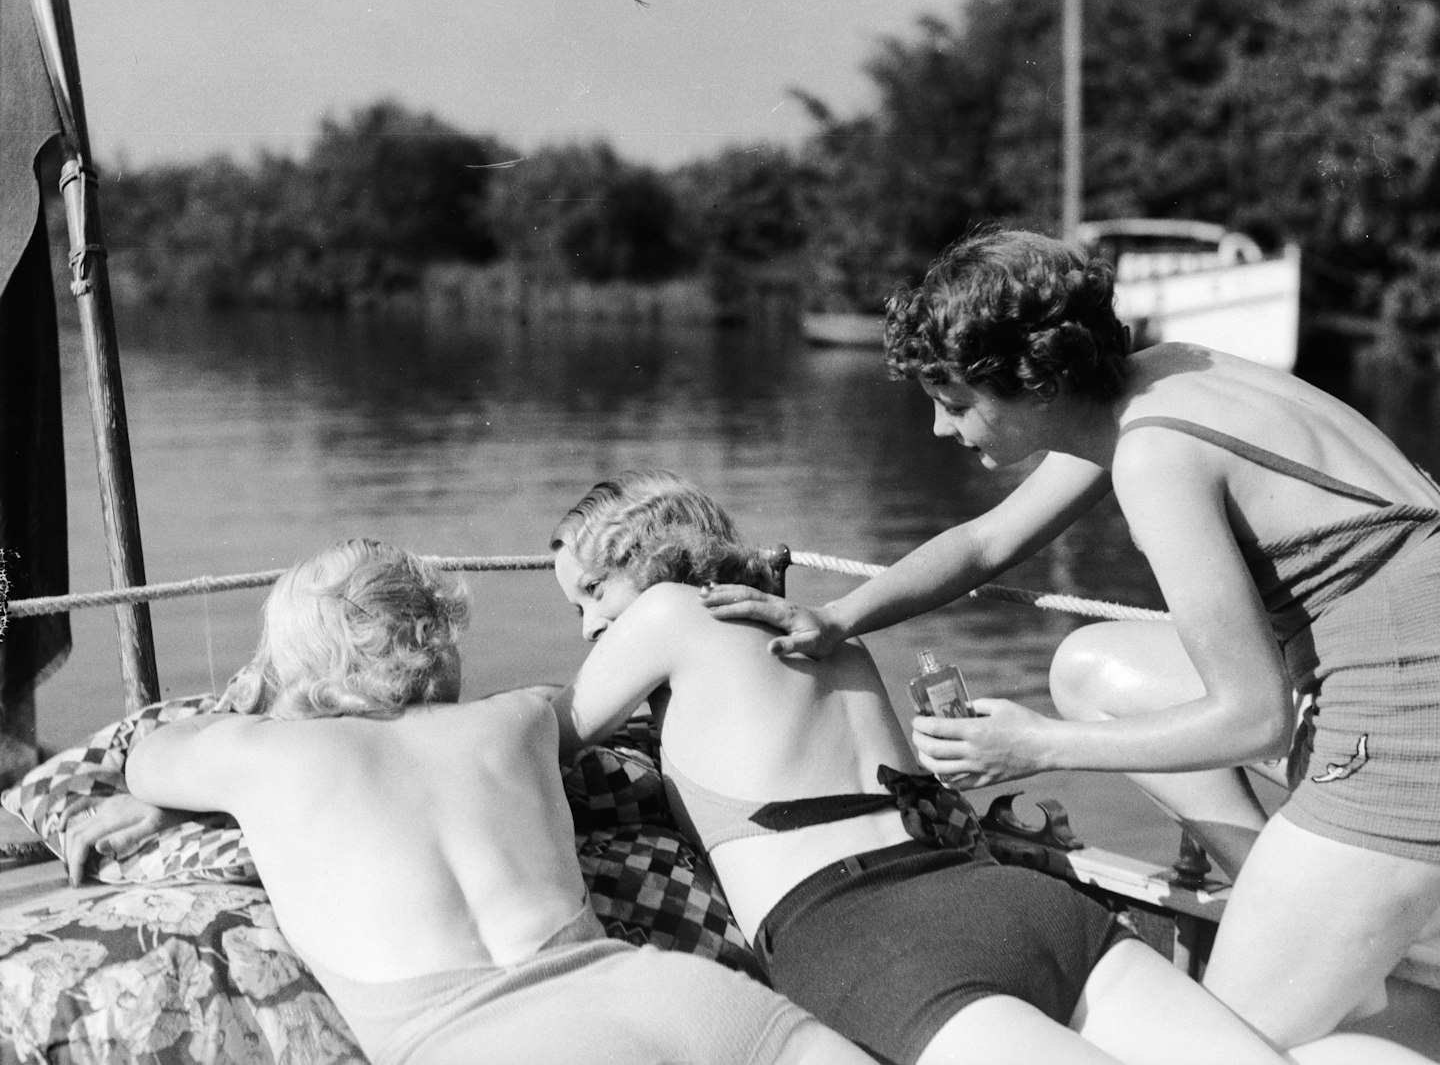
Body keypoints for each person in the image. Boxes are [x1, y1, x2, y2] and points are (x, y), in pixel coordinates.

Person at [697, 225, 1440, 1052]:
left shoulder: (1156, 458)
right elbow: (986, 544)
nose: (945, 431)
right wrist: (840, 616)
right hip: (1374, 684)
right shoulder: (1154, 382)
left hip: (1405, 740)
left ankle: (1330, 904)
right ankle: (1294, 894)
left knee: (1208, 1050)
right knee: (1091, 668)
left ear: (1035, 384)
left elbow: (1253, 718)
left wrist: (1037, 746)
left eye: (954, 404)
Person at [550, 469, 1411, 1065]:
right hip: (1014, 904)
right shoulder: (822, 634)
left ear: (641, 557)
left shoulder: (663, 615)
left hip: (868, 940)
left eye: (592, 592)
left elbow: (539, 738)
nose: (589, 626)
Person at [92, 538, 867, 1065]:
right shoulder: (523, 717)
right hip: (671, 993)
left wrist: (251, 706)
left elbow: (145, 756)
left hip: (479, 1040)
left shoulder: (256, 753)